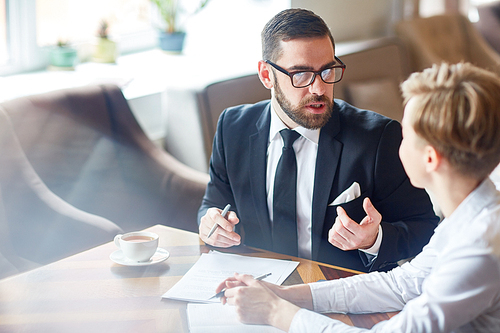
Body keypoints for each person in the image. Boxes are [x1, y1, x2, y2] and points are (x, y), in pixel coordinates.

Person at [217, 62, 500, 332]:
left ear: (430, 158)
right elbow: (403, 284)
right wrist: (285, 295)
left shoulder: (481, 249)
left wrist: (274, 312)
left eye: (406, 133)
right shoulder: (472, 215)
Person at [198, 8, 439, 272]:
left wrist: (374, 240)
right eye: (300, 74)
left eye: (327, 70)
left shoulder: (379, 138)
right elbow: (213, 203)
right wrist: (210, 223)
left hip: (341, 295)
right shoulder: (232, 128)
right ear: (267, 75)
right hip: (256, 289)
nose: (319, 89)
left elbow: (424, 228)